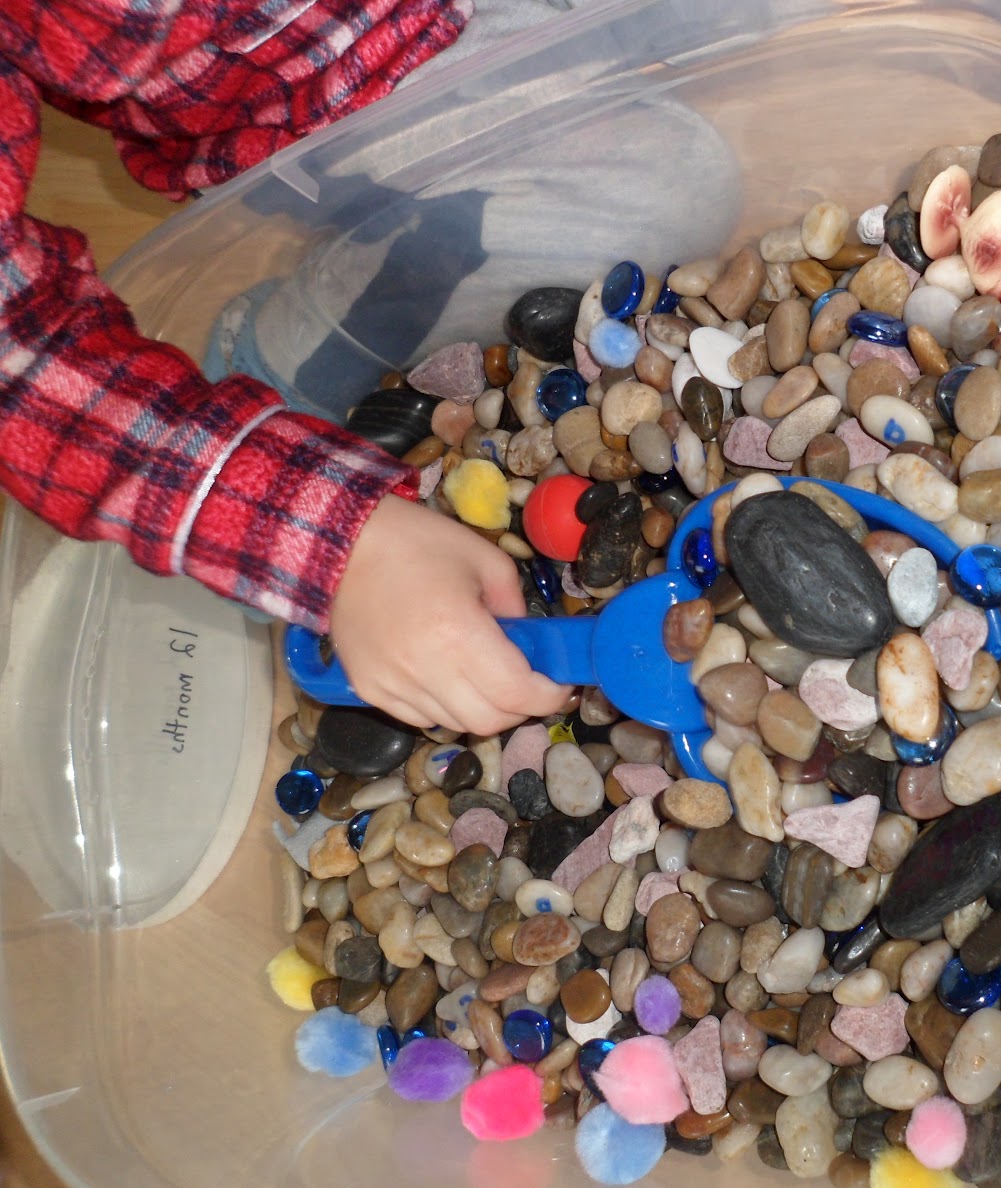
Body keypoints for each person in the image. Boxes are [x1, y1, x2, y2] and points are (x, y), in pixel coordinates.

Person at [0, 0, 585, 736]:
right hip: (320, 100)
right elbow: (19, 359)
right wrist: (335, 546)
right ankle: (272, 362)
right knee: (678, 190)